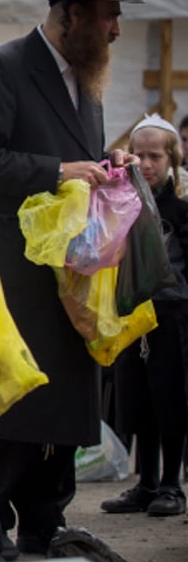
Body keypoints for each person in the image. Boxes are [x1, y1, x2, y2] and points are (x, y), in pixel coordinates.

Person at [0, 0, 141, 555]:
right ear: (69, 13)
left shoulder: (89, 84)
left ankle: (45, 528)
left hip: (71, 281)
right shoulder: (3, 68)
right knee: (18, 418)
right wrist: (58, 168)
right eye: (106, 15)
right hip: (18, 282)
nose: (116, 29)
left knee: (66, 414)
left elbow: (80, 168)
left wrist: (107, 165)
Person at [100, 114, 188, 516]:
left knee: (171, 399)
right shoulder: (123, 198)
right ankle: (146, 482)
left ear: (172, 160)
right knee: (138, 399)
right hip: (132, 314)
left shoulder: (180, 206)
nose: (147, 164)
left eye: (155, 156)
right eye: (140, 155)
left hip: (172, 315)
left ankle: (172, 484)